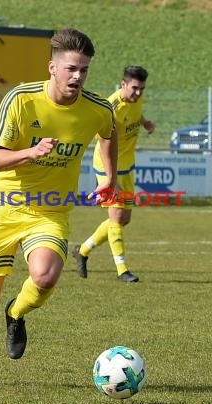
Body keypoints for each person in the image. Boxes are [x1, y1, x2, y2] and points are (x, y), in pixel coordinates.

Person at [0, 28, 118, 385]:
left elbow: (108, 134)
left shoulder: (97, 108)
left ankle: (17, 312)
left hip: (49, 212)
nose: (78, 76)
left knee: (46, 275)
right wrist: (30, 152)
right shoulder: (21, 100)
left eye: (84, 69)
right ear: (52, 67)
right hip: (4, 207)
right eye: (71, 68)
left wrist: (109, 179)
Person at [72, 66, 155, 282]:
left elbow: (136, 115)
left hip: (127, 167)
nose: (138, 93)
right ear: (123, 84)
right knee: (116, 217)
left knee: (123, 218)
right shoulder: (112, 107)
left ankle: (82, 250)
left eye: (142, 89)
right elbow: (103, 144)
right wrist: (111, 179)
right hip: (109, 168)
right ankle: (122, 270)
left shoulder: (136, 101)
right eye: (135, 88)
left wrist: (145, 123)